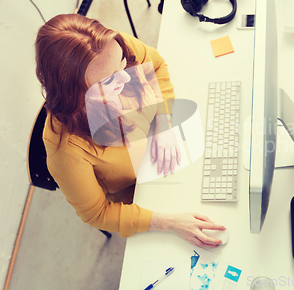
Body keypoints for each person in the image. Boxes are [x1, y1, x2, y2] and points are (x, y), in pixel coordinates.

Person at [35, 14, 224, 247]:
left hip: (166, 147)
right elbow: (97, 214)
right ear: (75, 96)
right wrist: (170, 223)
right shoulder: (65, 151)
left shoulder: (108, 49)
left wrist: (164, 124)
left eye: (122, 61)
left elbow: (156, 64)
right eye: (108, 81)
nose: (125, 76)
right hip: (141, 192)